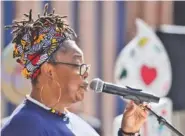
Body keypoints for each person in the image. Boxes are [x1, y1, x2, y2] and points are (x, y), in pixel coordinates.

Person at [1, 4, 148, 136]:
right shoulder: (24, 127)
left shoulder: (77, 123)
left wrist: (129, 132)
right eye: (78, 64)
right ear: (49, 71)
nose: (86, 73)